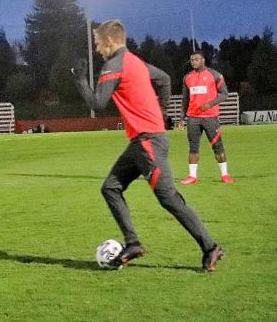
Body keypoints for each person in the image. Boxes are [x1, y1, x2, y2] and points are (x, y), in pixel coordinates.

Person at [74, 19, 225, 272]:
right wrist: (160, 112)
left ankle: (210, 248)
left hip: (148, 143)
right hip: (142, 141)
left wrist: (79, 80)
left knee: (169, 199)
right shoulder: (136, 62)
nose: (98, 49)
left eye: (99, 43)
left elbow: (98, 103)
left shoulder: (114, 66)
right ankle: (132, 243)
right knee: (110, 187)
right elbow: (164, 79)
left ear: (110, 41)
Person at [179, 52, 234, 184]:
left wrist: (210, 104)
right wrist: (182, 118)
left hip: (210, 117)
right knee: (193, 147)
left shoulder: (215, 75)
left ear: (203, 60)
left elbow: (224, 94)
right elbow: (185, 100)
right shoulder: (187, 78)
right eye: (191, 60)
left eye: (196, 59)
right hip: (193, 118)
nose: (193, 62)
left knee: (217, 145)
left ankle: (225, 175)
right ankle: (192, 176)